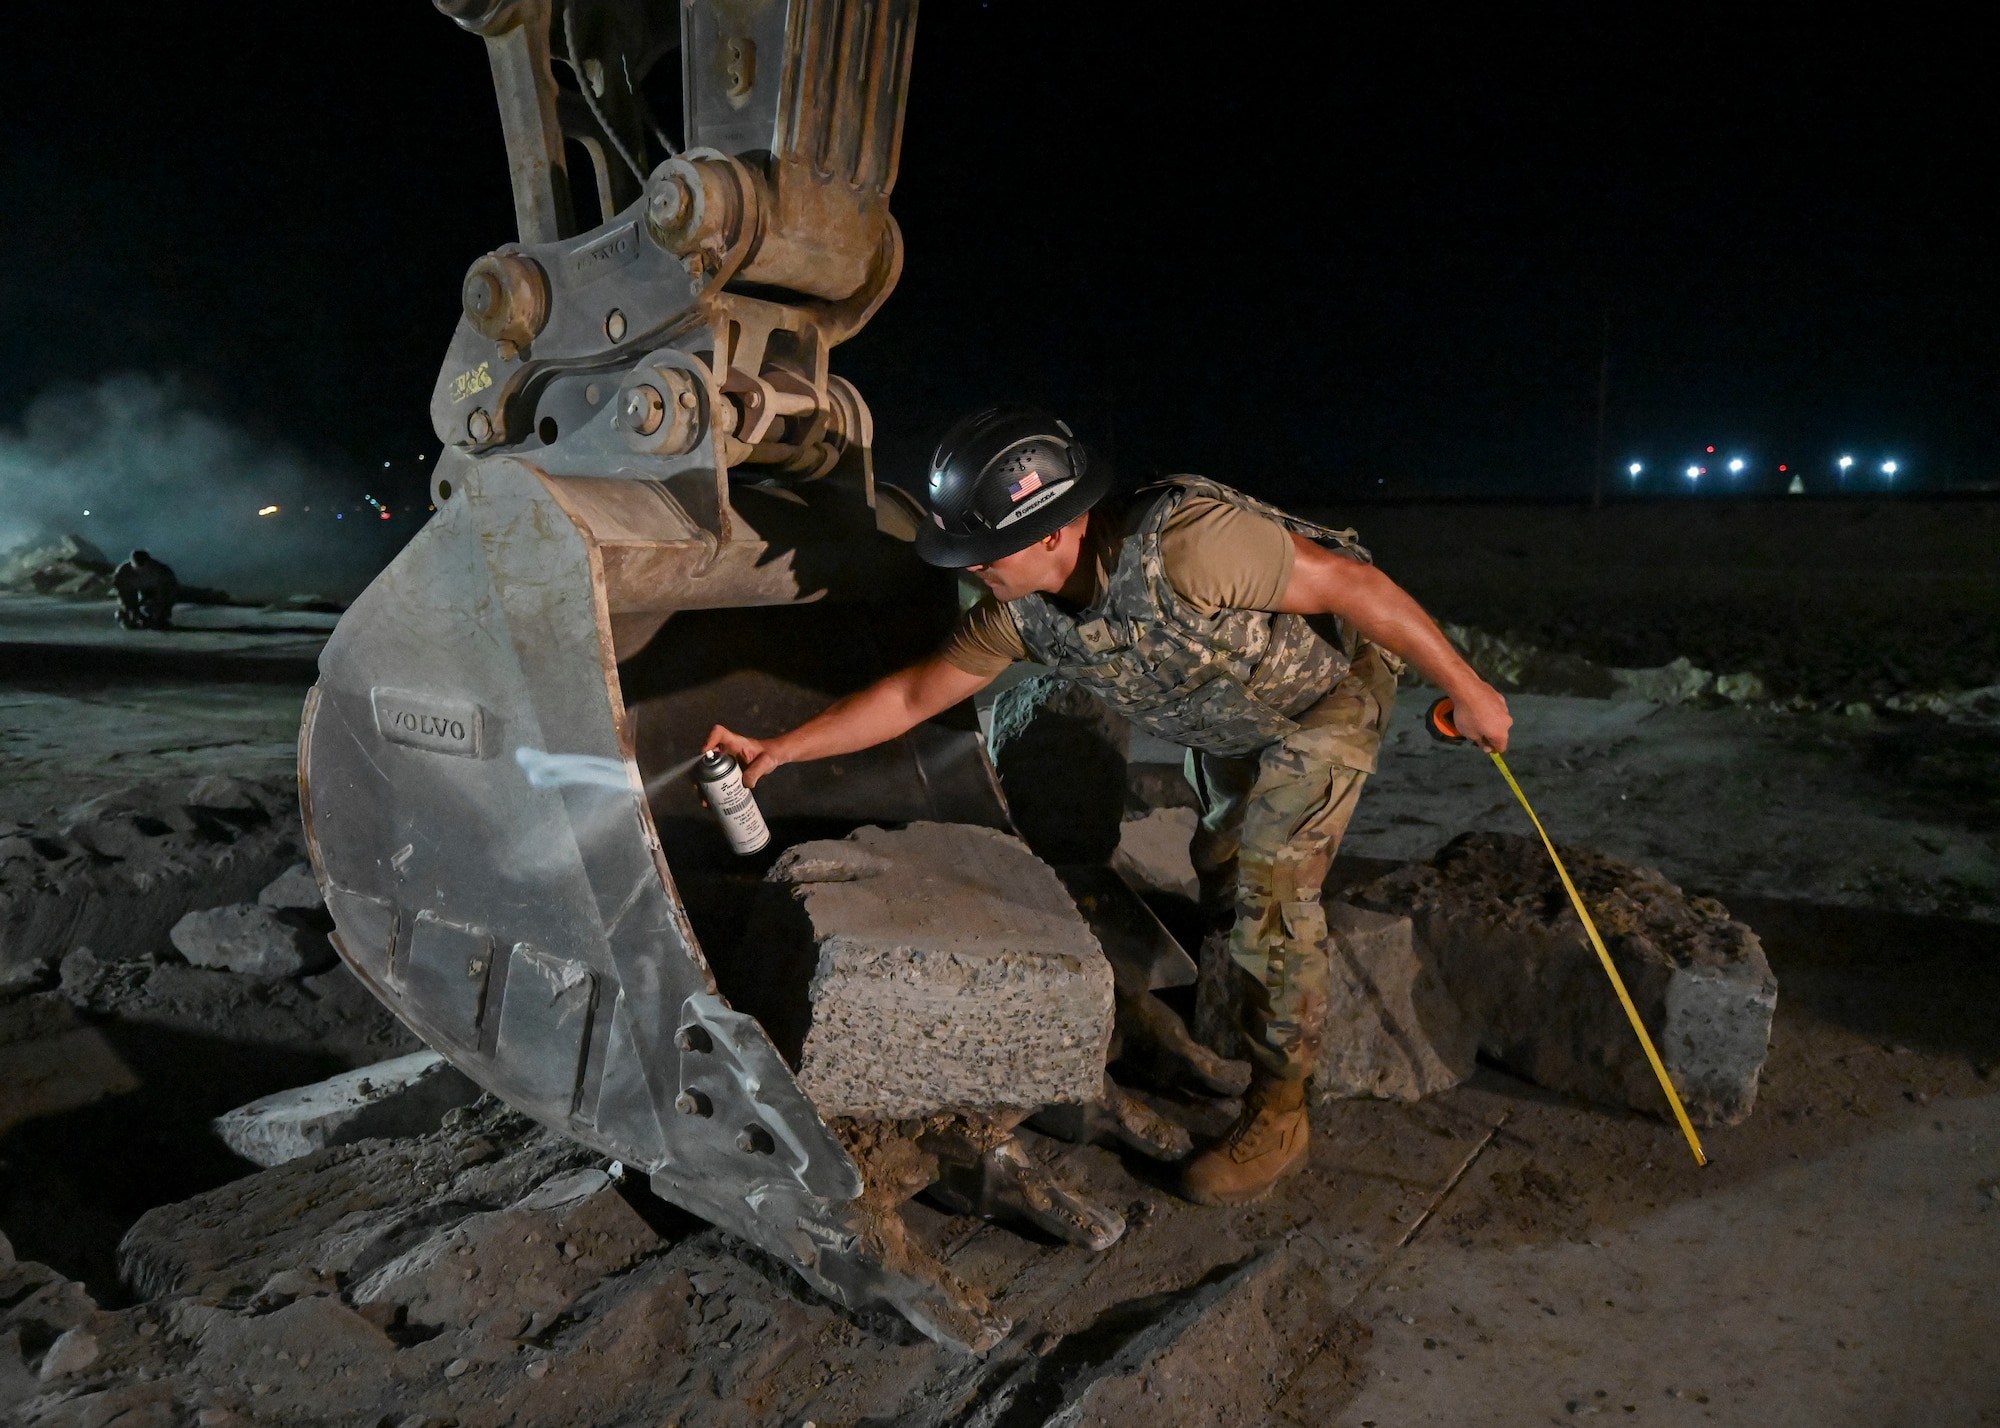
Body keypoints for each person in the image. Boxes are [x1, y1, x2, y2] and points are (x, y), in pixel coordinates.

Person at [706, 406, 1512, 1205]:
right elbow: (915, 694)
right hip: (1232, 722)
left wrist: (1467, 689)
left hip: (1325, 701)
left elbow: (1352, 583)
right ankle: (1243, 1013)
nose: (971, 568)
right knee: (1221, 866)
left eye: (986, 551)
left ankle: (1280, 1108)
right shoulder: (1018, 614)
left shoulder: (1189, 543)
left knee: (1273, 887)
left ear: (1055, 531)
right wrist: (781, 750)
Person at [112, 549, 179, 630]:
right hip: (131, 593)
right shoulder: (122, 572)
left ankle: (158, 619)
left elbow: (170, 590)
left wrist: (161, 608)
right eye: (138, 567)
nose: (141, 570)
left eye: (144, 567)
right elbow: (121, 592)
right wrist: (130, 610)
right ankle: (134, 618)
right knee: (128, 618)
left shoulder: (161, 571)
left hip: (153, 593)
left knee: (157, 617)